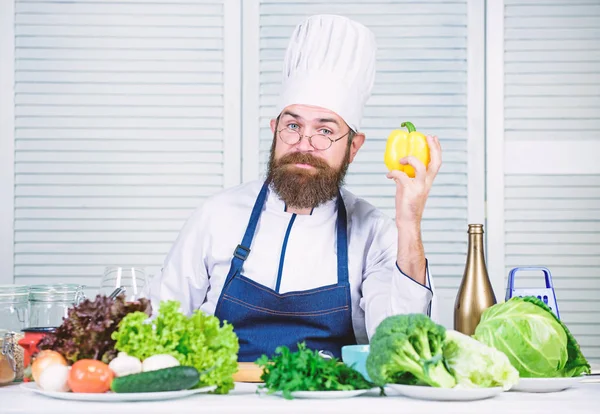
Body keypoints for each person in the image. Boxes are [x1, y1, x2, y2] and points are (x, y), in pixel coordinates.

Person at [149, 14, 442, 362]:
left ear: (353, 147)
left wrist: (409, 222)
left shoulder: (374, 233)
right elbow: (159, 327)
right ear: (275, 130)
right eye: (292, 125)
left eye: (325, 131)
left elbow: (402, 346)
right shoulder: (216, 216)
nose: (304, 144)